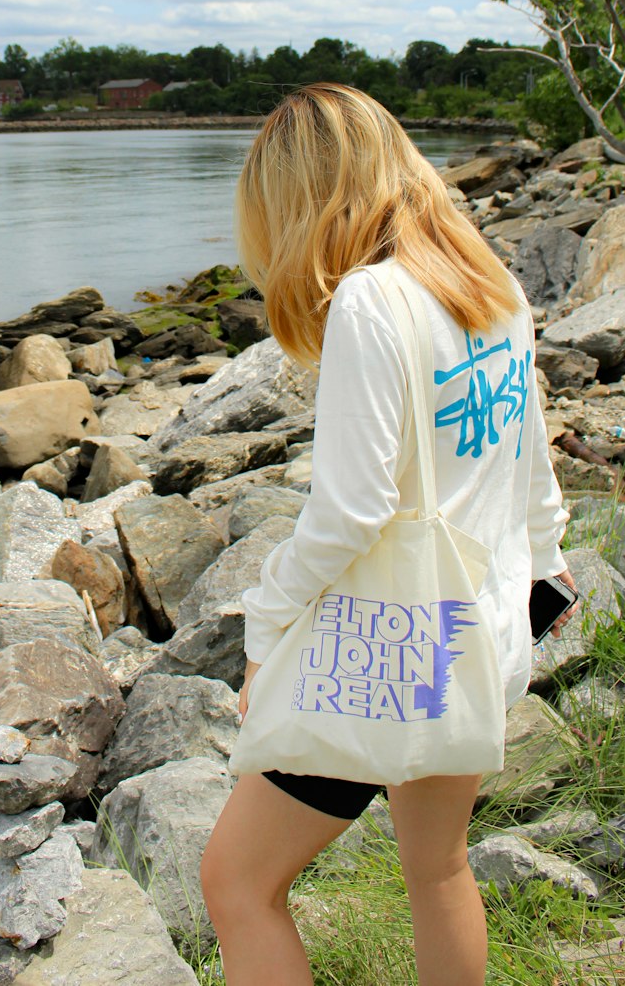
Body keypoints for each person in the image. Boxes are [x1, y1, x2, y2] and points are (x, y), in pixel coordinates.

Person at [199, 85, 576, 986]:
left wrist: (267, 625)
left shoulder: (371, 301)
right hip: (481, 634)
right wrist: (547, 575)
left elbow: (351, 512)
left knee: (237, 883)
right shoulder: (489, 281)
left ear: (304, 197)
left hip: (394, 654)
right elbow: (532, 467)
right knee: (438, 868)